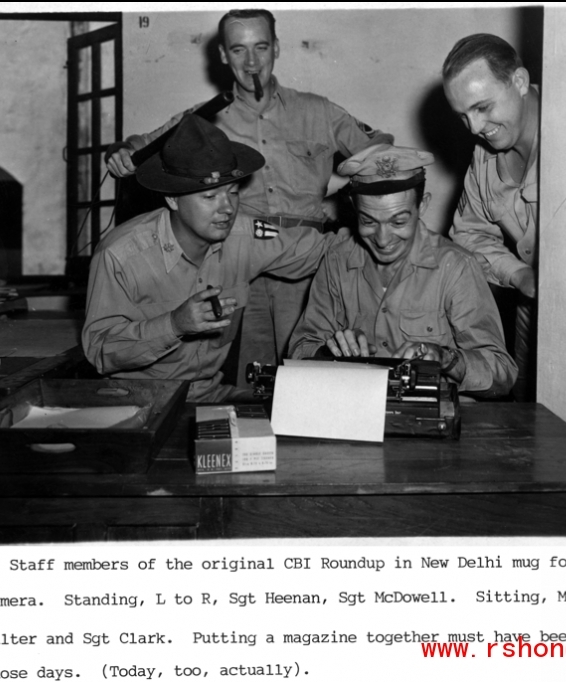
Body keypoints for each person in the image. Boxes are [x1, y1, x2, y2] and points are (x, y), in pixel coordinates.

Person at [106, 8, 393, 382]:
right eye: (239, 50)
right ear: (224, 55)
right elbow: (140, 146)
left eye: (260, 47)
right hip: (239, 261)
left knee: (311, 375)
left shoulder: (318, 111)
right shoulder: (204, 120)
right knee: (247, 380)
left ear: (276, 48)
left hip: (307, 262)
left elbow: (380, 151)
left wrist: (354, 205)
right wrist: (123, 149)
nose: (252, 61)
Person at [83, 114, 344, 403]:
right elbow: (99, 352)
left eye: (232, 193)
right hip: (138, 400)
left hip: (210, 396)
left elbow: (325, 250)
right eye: (209, 198)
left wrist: (381, 228)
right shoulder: (120, 255)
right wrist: (173, 325)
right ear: (172, 199)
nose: (227, 209)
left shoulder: (244, 235)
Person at [288, 144, 517, 398]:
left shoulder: (457, 267)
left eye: (398, 222)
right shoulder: (336, 262)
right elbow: (299, 349)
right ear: (354, 208)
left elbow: (502, 374)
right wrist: (330, 353)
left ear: (424, 205)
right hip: (358, 410)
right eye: (368, 221)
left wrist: (445, 359)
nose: (383, 239)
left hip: (437, 419)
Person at [441, 33, 539, 401]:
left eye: (483, 107)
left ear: (519, 81)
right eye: (463, 115)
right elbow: (467, 235)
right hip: (532, 312)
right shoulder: (485, 156)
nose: (475, 128)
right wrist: (518, 274)